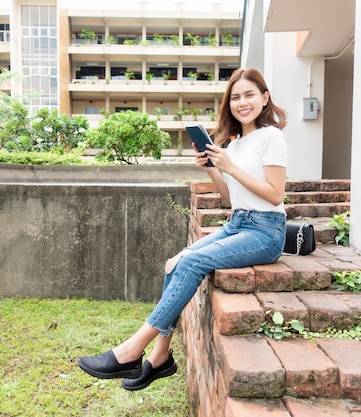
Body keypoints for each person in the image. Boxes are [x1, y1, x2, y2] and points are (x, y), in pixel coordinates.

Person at [77, 68, 288, 391]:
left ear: (264, 98)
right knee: (175, 262)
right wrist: (214, 169)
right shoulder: (235, 142)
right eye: (235, 97)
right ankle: (161, 356)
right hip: (239, 222)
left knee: (191, 263)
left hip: (267, 231)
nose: (242, 103)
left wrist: (229, 165)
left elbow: (274, 194)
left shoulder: (272, 136)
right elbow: (231, 198)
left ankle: (131, 350)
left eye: (249, 95)